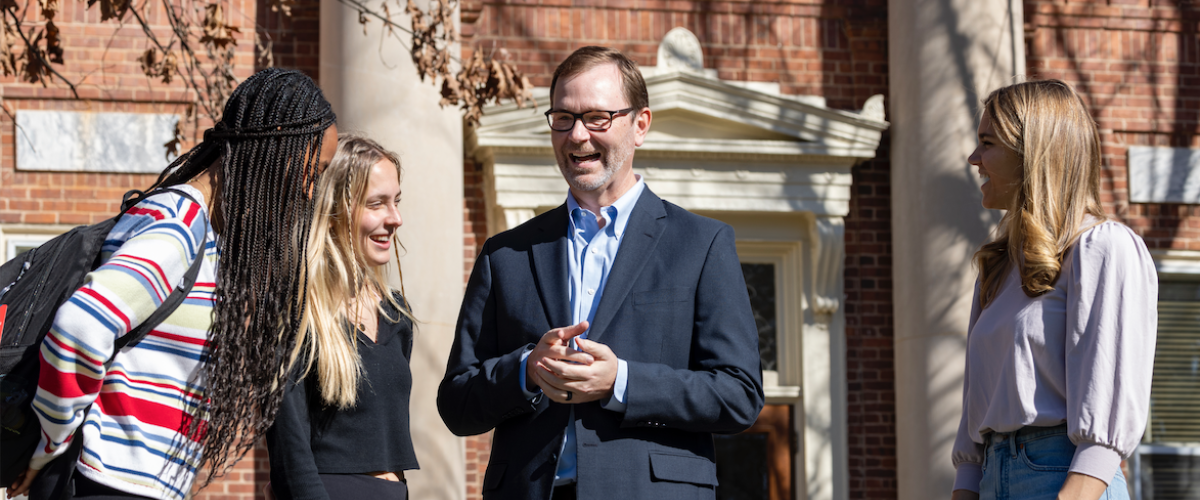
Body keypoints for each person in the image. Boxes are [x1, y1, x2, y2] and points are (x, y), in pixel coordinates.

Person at [437, 46, 765, 500]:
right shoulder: (506, 254)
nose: (577, 136)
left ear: (641, 125)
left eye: (597, 118)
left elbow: (739, 394)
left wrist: (622, 382)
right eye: (563, 118)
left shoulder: (701, 245)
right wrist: (527, 370)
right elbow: (457, 403)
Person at [6, 68, 338, 500]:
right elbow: (80, 327)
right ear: (277, 143)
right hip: (108, 482)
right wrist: (51, 442)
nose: (312, 191)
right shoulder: (182, 225)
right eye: (318, 168)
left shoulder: (207, 233)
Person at [951, 79, 1157, 500]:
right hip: (994, 476)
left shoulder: (1102, 248)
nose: (974, 159)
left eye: (987, 143)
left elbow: (1107, 420)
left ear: (1033, 152)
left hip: (1065, 477)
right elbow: (975, 412)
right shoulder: (997, 268)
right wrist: (967, 486)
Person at [266, 134, 418, 500]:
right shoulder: (298, 310)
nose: (394, 218)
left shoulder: (396, 313)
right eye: (376, 204)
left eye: (395, 202)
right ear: (334, 209)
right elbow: (291, 452)